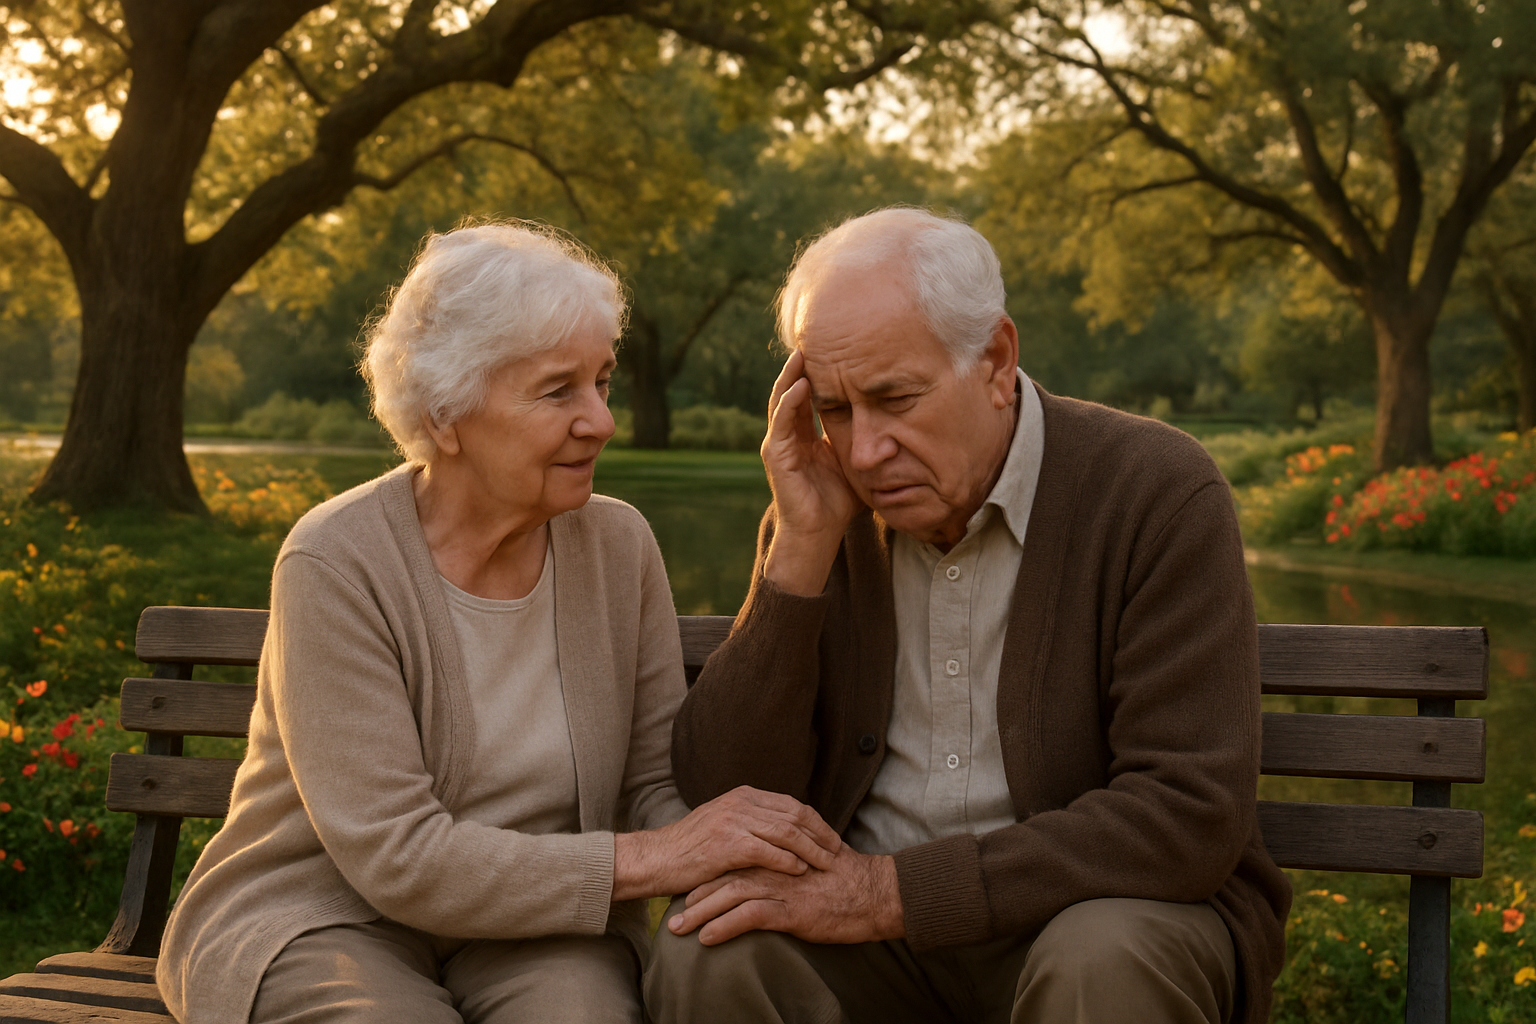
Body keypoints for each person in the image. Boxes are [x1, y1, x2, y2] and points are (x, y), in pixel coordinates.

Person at [155, 222, 839, 1024]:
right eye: (558, 391)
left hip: (541, 927)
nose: (601, 421)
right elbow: (397, 856)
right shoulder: (336, 560)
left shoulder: (618, 545)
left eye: (603, 382)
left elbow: (655, 779)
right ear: (445, 414)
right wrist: (654, 857)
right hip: (323, 913)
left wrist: (727, 850)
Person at [644, 208, 1292, 1024]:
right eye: (837, 409)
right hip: (874, 951)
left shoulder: (1155, 489)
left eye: (895, 399)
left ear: (994, 359)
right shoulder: (825, 507)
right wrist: (802, 548)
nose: (866, 450)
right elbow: (724, 796)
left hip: (1095, 915)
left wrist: (892, 893)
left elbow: (1186, 815)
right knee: (706, 945)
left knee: (1100, 957)